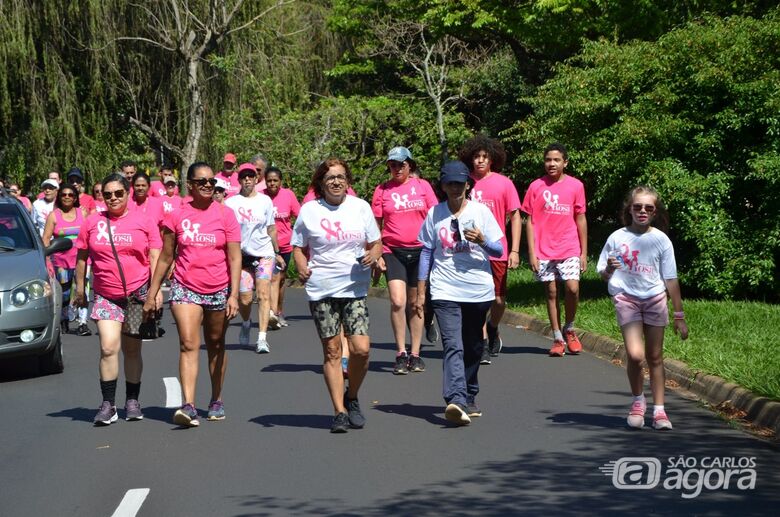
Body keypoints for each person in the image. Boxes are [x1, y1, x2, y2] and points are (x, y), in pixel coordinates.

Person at [144, 162, 241, 427]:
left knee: (216, 343)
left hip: (219, 288)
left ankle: (216, 399)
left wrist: (233, 294)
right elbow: (166, 257)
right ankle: (188, 405)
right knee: (188, 343)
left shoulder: (225, 215)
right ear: (190, 184)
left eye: (211, 182)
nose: (208, 185)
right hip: (186, 286)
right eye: (202, 182)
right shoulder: (176, 215)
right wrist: (152, 293)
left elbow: (234, 257)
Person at [291, 158, 382, 433]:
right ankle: (339, 411)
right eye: (330, 177)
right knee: (332, 351)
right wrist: (300, 265)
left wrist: (373, 255)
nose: (336, 181)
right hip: (322, 289)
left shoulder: (360, 208)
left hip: (354, 288)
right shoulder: (309, 211)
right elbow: (297, 246)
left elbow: (376, 242)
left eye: (341, 176)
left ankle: (351, 396)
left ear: (348, 181)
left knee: (361, 349)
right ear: (321, 182)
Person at [414, 161, 503, 425]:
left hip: (477, 289)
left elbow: (498, 250)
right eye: (449, 183)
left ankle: (469, 393)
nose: (454, 188)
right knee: (453, 344)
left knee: (474, 345)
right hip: (444, 288)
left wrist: (482, 241)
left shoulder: (481, 212)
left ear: (467, 184)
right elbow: (427, 251)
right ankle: (456, 398)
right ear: (442, 186)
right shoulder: (434, 214)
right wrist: (421, 291)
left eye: (459, 183)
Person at [72, 173, 163, 425]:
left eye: (118, 193)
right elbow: (81, 257)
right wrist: (80, 289)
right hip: (106, 295)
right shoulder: (92, 222)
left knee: (132, 350)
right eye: (107, 194)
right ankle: (108, 404)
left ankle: (132, 401)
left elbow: (155, 256)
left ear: (128, 193)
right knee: (108, 346)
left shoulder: (144, 221)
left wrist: (155, 293)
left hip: (137, 295)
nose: (112, 198)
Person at [596, 186, 688, 430]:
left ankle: (659, 410)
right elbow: (604, 275)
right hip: (627, 298)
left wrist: (679, 315)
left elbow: (671, 279)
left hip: (655, 299)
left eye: (648, 207)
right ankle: (638, 401)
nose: (642, 211)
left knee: (655, 356)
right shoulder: (617, 238)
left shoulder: (661, 240)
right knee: (636, 356)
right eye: (637, 207)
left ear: (655, 212)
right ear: (630, 209)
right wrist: (611, 269)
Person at [372, 146, 438, 374]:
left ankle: (416, 353)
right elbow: (375, 226)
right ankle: (401, 352)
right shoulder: (382, 190)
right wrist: (376, 253)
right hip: (393, 251)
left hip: (421, 252)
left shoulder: (423, 187)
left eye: (401, 164)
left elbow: (435, 217)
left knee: (416, 303)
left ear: (410, 165)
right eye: (392, 165)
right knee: (398, 302)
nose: (396, 168)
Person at [458, 135, 522, 364]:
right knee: (477, 299)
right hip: (470, 251)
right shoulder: (464, 182)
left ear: (492, 159)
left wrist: (514, 250)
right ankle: (482, 343)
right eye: (476, 157)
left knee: (498, 300)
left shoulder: (504, 183)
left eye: (484, 157)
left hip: (497, 249)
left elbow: (515, 216)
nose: (480, 161)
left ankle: (493, 327)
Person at [522, 142, 587, 357]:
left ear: (565, 162)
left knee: (572, 289)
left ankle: (569, 327)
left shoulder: (576, 186)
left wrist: (583, 252)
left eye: (556, 160)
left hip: (569, 246)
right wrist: (532, 252)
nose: (552, 164)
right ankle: (558, 337)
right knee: (550, 292)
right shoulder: (535, 186)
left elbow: (580, 218)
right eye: (548, 159)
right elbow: (529, 221)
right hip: (543, 248)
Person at [225, 163, 285, 353]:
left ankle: (262, 338)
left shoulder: (265, 201)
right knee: (244, 298)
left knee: (263, 294)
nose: (248, 179)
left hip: (264, 253)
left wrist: (277, 252)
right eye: (244, 176)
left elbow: (271, 228)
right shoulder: (231, 203)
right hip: (242, 255)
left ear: (256, 178)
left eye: (251, 176)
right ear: (240, 180)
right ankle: (246, 322)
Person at [42, 184, 90, 335]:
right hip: (61, 261)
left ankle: (82, 322)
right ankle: (63, 319)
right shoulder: (54, 215)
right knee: (65, 292)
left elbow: (90, 234)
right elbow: (46, 240)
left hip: (83, 259)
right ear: (59, 197)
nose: (67, 197)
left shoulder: (83, 213)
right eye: (64, 195)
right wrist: (47, 260)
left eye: (70, 195)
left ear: (75, 198)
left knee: (84, 289)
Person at [262, 166, 300, 328]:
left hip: (285, 244)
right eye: (269, 180)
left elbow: (299, 216)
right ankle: (269, 313)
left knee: (281, 279)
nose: (272, 183)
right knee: (269, 278)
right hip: (265, 245)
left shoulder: (288, 195)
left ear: (280, 182)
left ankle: (278, 311)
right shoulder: (261, 197)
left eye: (275, 180)